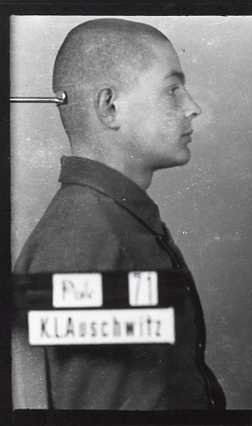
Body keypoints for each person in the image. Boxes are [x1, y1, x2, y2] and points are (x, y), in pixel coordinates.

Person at [12, 18, 225, 409]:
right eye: (172, 90)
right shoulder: (96, 241)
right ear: (109, 107)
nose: (192, 108)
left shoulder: (107, 223)